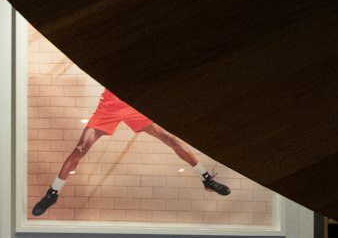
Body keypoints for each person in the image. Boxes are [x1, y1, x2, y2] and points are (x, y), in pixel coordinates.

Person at [31, 87, 231, 216]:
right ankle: (53, 193)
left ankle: (206, 179)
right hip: (109, 107)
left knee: (170, 139)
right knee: (80, 148)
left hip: (132, 105)